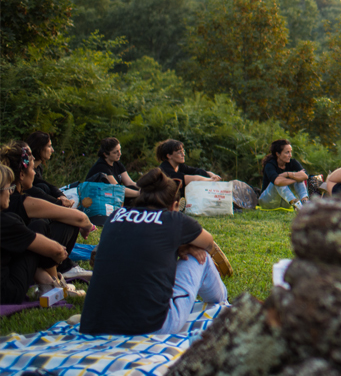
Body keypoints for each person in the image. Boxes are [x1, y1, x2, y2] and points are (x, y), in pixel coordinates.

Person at [80, 168, 228, 335]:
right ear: (174, 205)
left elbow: (137, 244)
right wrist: (183, 245)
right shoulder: (174, 220)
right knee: (201, 257)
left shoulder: (115, 217)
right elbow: (208, 242)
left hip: (96, 323)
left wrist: (176, 245)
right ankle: (222, 305)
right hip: (152, 325)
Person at [0, 142, 96, 292]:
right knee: (41, 226)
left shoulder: (11, 210)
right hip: (10, 287)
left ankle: (51, 280)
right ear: (21, 175)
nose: (34, 173)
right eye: (32, 169)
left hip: (10, 261)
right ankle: (55, 280)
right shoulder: (17, 208)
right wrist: (58, 252)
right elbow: (78, 219)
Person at [1, 164, 73, 304]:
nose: (11, 192)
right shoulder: (7, 222)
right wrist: (60, 255)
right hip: (8, 292)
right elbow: (55, 249)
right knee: (38, 229)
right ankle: (52, 283)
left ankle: (48, 282)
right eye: (9, 188)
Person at [259, 139, 318, 209]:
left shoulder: (292, 162)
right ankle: (296, 203)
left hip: (285, 202)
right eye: (287, 152)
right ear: (277, 154)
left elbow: (305, 176)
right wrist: (295, 178)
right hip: (268, 201)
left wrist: (288, 174)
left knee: (298, 178)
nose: (290, 155)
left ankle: (305, 202)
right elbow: (277, 181)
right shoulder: (270, 165)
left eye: (290, 152)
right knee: (279, 182)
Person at [155, 139, 221, 200]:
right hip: (163, 199)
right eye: (179, 152)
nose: (183, 154)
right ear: (169, 156)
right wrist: (211, 180)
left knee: (200, 172)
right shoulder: (165, 169)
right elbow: (189, 179)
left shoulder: (179, 166)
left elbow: (196, 171)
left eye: (183, 151)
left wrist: (212, 175)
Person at [25, 131, 74, 208]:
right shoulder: (26, 169)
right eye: (49, 146)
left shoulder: (38, 167)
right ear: (39, 148)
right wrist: (60, 203)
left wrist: (61, 196)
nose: (52, 150)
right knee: (42, 187)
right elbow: (39, 189)